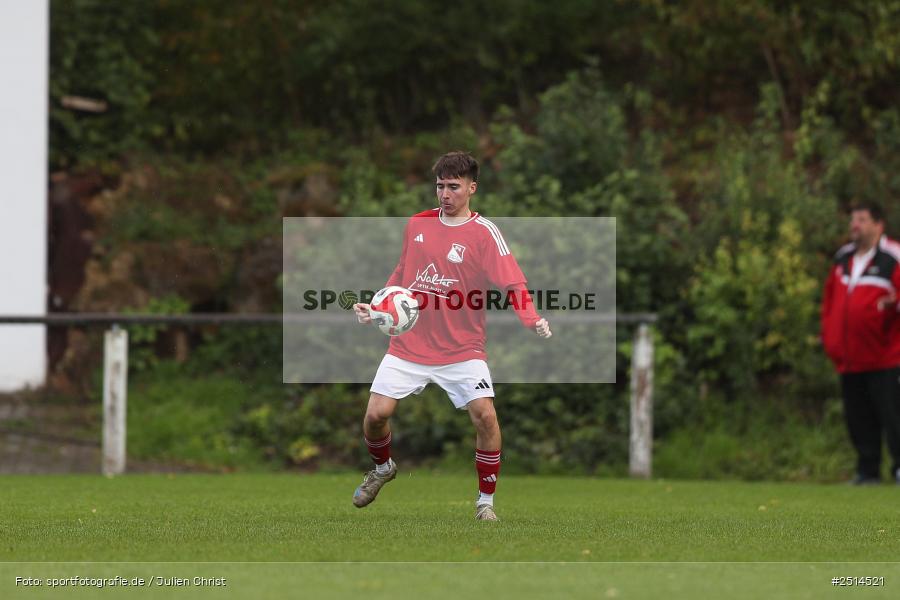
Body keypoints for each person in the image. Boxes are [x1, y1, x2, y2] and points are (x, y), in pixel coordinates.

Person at [351, 151, 552, 520]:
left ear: (472, 188)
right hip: (409, 345)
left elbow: (513, 283)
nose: (445, 194)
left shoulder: (484, 233)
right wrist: (377, 307)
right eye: (440, 186)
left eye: (454, 187)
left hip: (462, 349)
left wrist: (531, 318)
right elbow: (402, 274)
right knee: (376, 415)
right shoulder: (417, 224)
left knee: (485, 416)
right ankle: (382, 468)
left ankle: (485, 503)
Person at [821, 202, 900, 485]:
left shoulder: (893, 256)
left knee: (893, 415)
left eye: (862, 220)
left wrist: (893, 304)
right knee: (858, 417)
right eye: (853, 219)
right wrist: (830, 338)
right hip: (850, 357)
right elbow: (830, 301)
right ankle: (867, 471)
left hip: (886, 355)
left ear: (879, 225)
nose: (855, 225)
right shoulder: (842, 258)